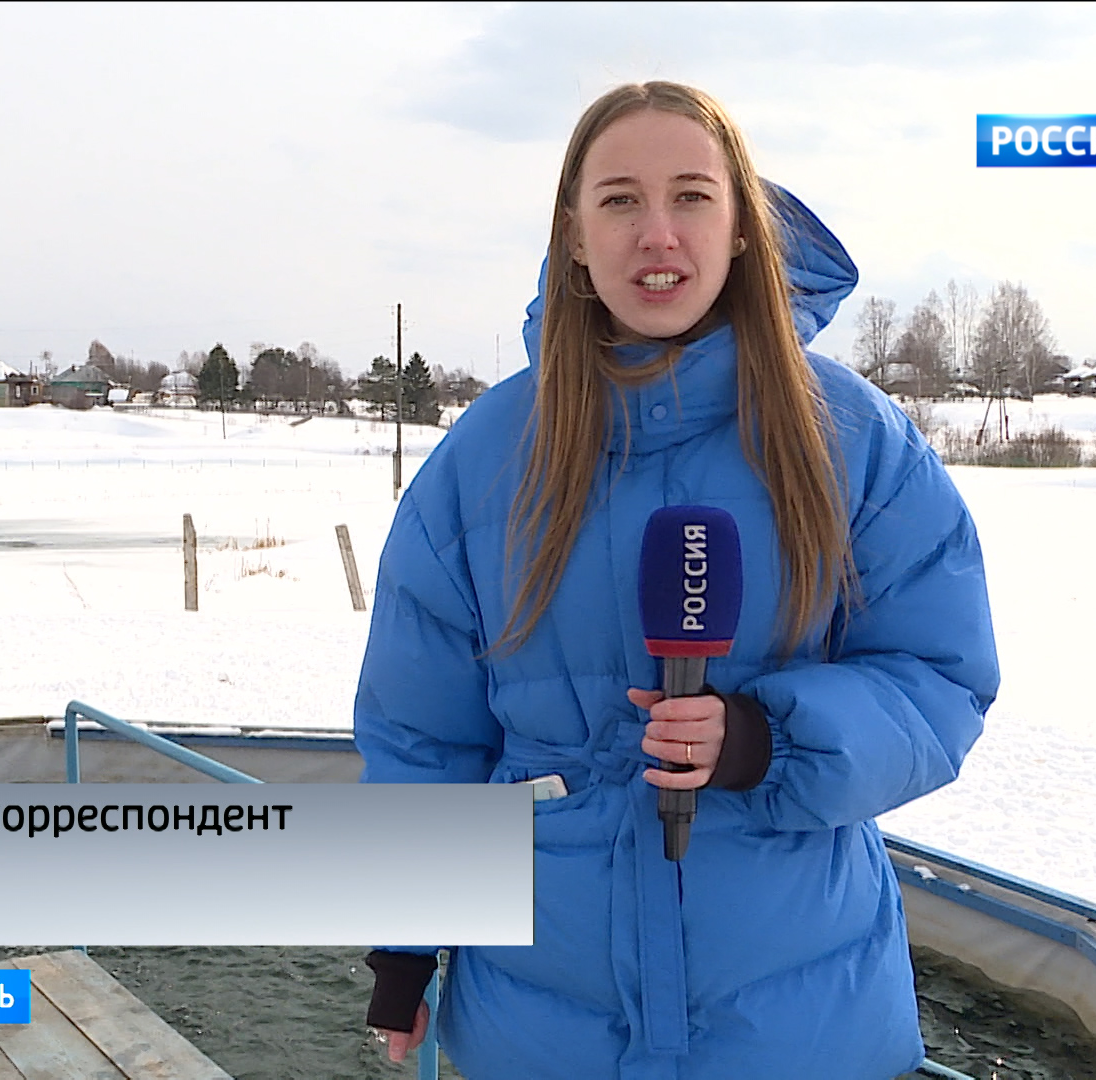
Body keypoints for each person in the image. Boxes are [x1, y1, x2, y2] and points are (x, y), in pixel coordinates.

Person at [352, 81, 999, 1078]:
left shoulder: (854, 438)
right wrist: (403, 953)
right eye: (620, 200)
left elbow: (938, 679)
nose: (658, 233)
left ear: (741, 226)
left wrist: (767, 741)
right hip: (541, 1028)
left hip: (803, 1030)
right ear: (574, 236)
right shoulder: (482, 459)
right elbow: (423, 734)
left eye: (692, 196)